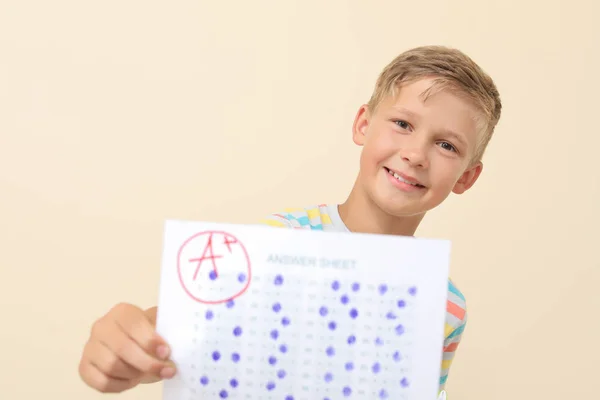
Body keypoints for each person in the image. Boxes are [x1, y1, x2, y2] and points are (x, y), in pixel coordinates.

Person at [78, 45, 502, 397]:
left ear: (466, 176)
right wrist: (129, 337)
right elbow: (183, 333)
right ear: (363, 124)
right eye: (403, 124)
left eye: (446, 145)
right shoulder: (278, 241)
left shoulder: (447, 306)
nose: (415, 154)